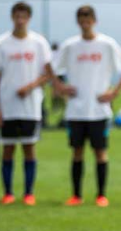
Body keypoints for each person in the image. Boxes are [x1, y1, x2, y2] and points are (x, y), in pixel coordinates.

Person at [51, 5, 121, 207]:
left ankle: (101, 195)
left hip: (99, 111)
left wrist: (114, 92)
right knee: (77, 152)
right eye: (82, 19)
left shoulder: (107, 44)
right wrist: (60, 86)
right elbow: (50, 68)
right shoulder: (70, 45)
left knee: (100, 152)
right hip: (76, 110)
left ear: (94, 21)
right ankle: (76, 195)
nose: (85, 23)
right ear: (78, 22)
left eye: (88, 19)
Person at [0, 2, 51, 206]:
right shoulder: (3, 42)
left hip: (30, 106)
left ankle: (29, 193)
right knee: (8, 148)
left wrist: (30, 87)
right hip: (8, 106)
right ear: (12, 17)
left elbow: (47, 73)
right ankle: (9, 193)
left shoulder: (38, 43)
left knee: (29, 147)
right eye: (17, 16)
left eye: (24, 17)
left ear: (28, 18)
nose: (20, 20)